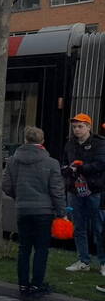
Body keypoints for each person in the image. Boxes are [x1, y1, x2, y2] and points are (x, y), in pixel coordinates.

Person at [3, 126, 66, 297]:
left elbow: (6, 186)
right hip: (44, 211)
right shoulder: (52, 163)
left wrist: (20, 197)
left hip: (23, 210)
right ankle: (37, 285)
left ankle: (23, 286)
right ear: (42, 141)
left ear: (25, 140)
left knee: (24, 248)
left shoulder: (12, 161)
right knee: (41, 249)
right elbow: (57, 191)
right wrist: (62, 213)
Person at [61, 113, 105, 274]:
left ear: (88, 127)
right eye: (74, 127)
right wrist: (66, 170)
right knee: (79, 226)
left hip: (94, 190)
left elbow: (101, 164)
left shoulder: (99, 143)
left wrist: (81, 168)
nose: (77, 129)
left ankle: (103, 262)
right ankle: (83, 260)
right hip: (74, 189)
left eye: (80, 126)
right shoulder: (70, 144)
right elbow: (64, 162)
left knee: (99, 228)